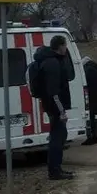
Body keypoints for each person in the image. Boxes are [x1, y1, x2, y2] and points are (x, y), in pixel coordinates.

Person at [35, 35, 74, 179]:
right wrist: (61, 111)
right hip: (55, 107)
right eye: (65, 45)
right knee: (58, 138)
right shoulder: (52, 63)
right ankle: (55, 171)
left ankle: (56, 168)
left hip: (51, 106)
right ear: (60, 46)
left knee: (58, 136)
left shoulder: (49, 60)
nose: (66, 48)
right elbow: (54, 91)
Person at [81, 55, 97, 146]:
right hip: (96, 96)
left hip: (90, 97)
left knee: (90, 118)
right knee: (92, 117)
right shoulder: (95, 70)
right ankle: (94, 137)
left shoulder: (88, 71)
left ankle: (92, 137)